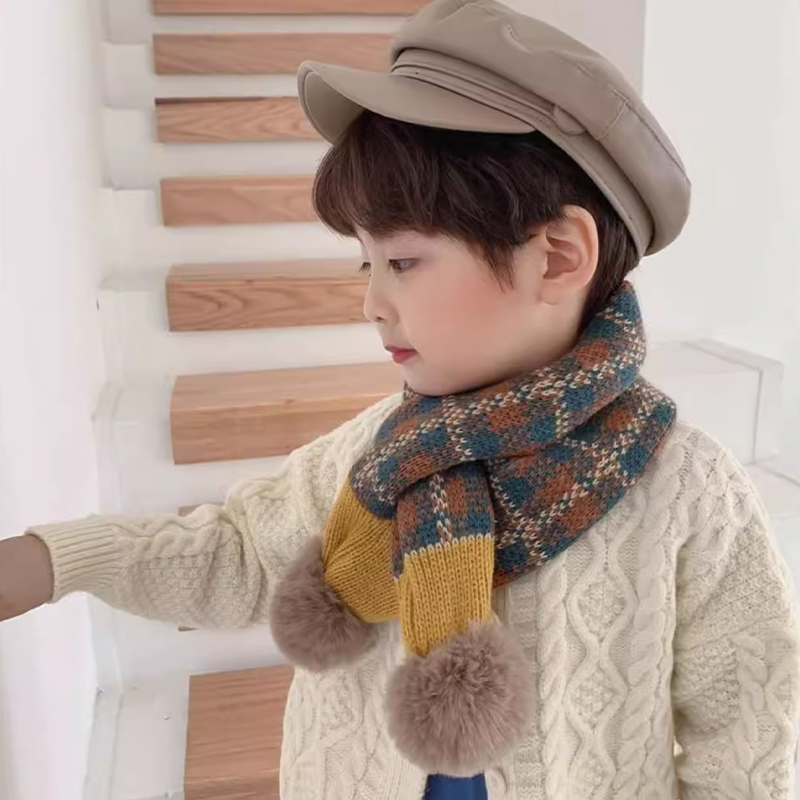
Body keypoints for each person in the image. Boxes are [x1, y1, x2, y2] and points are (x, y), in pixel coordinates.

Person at [1, 0, 799, 797]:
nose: (372, 303)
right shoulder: (376, 458)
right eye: (367, 264)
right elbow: (238, 554)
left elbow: (746, 743)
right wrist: (58, 560)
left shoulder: (690, 496)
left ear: (558, 257)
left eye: (404, 263)